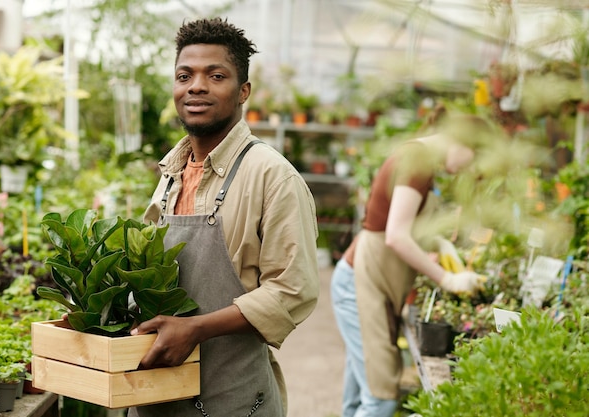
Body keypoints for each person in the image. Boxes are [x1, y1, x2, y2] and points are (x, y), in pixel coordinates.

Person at [129, 17, 320, 417]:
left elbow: (292, 290)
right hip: (156, 396)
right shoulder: (171, 174)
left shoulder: (271, 175)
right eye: (185, 75)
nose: (196, 85)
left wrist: (197, 329)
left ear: (243, 91)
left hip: (230, 398)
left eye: (215, 75)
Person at [330, 111, 495, 417]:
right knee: (380, 398)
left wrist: (439, 244)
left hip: (366, 281)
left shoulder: (419, 159)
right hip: (361, 285)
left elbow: (404, 225)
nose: (468, 168)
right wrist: (447, 279)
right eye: (473, 159)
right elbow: (396, 236)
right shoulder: (417, 163)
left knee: (360, 397)